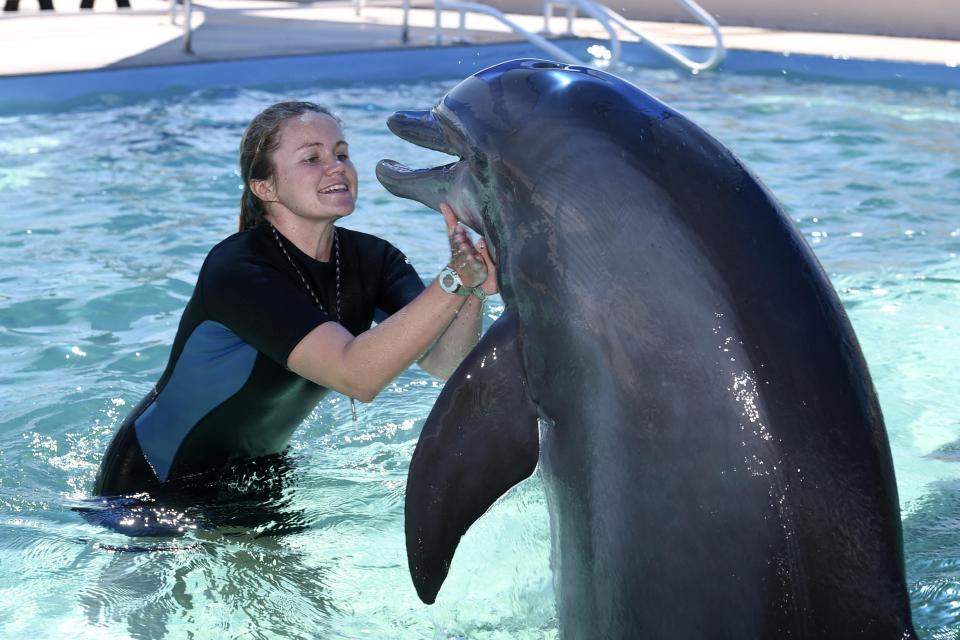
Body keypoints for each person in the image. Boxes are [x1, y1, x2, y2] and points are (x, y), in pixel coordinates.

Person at [93, 101, 496, 497]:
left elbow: (447, 362)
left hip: (259, 476)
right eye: (311, 158)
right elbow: (356, 375)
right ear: (265, 187)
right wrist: (453, 280)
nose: (337, 166)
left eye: (341, 153)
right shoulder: (238, 270)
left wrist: (472, 286)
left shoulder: (373, 260)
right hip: (152, 487)